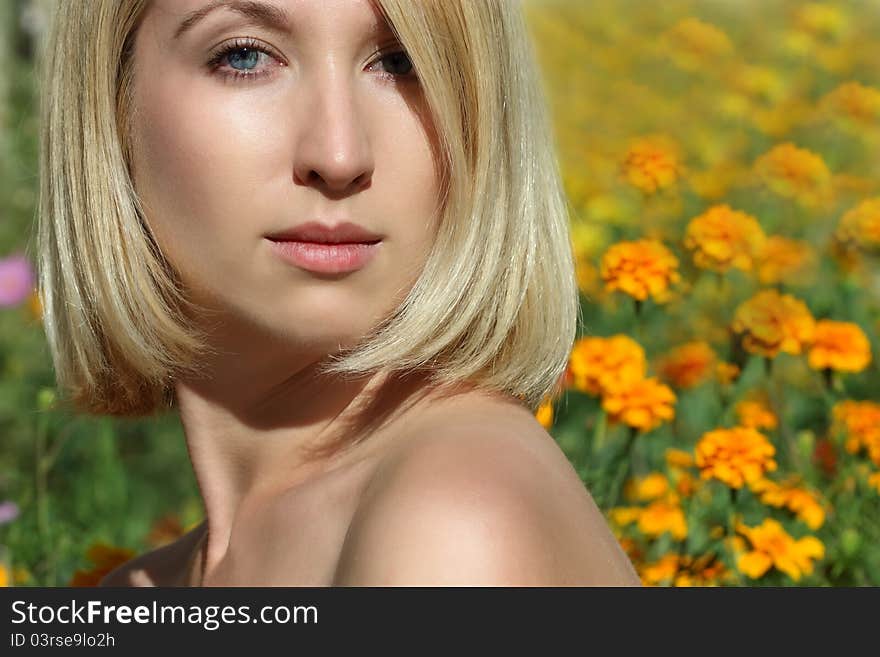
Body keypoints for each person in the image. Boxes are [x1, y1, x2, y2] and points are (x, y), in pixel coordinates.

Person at [35, 0, 641, 586]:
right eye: (245, 57)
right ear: (111, 103)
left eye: (402, 62)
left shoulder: (451, 519)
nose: (339, 155)